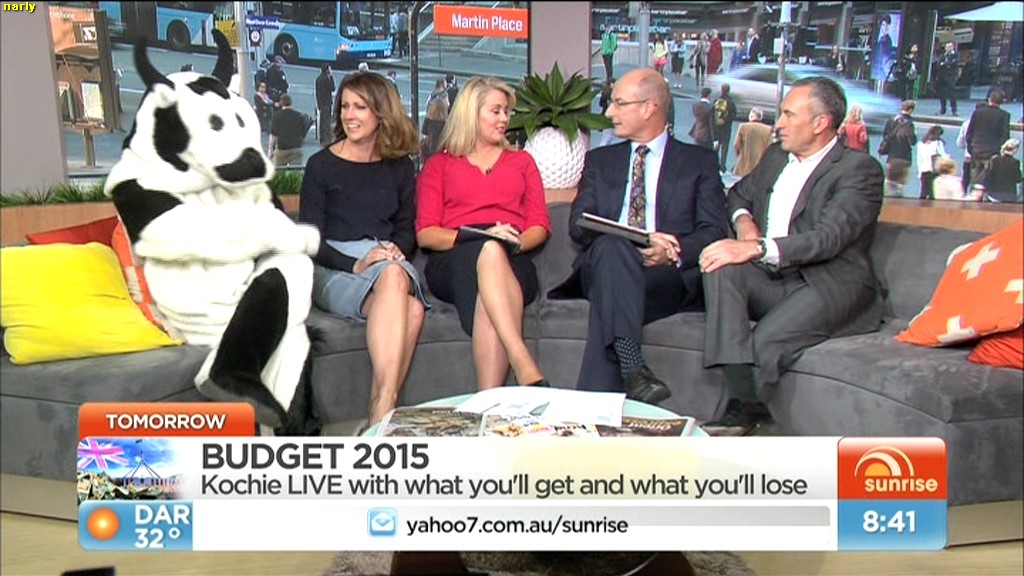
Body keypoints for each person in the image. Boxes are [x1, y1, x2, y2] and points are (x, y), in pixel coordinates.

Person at [699, 76, 884, 435]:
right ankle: (746, 407)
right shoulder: (776, 156)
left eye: (788, 114)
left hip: (827, 283)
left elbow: (829, 238)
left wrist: (757, 247)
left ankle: (735, 425)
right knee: (719, 263)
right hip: (772, 278)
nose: (778, 124)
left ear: (820, 123)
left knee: (765, 341)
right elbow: (738, 194)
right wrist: (744, 223)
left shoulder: (859, 170)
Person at [549, 67, 728, 403]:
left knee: (610, 301)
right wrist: (638, 240)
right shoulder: (600, 161)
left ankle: (593, 411)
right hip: (605, 265)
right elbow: (578, 224)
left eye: (619, 103)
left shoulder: (698, 162)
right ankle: (632, 366)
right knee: (613, 248)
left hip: (663, 278)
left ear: (649, 108)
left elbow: (715, 229)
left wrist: (672, 249)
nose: (609, 112)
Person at [299, 72, 427, 427]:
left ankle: (378, 413)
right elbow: (311, 239)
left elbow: (406, 228)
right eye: (344, 106)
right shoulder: (321, 165)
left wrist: (396, 250)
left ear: (381, 113)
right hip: (334, 265)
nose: (349, 115)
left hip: (384, 260)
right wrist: (355, 264)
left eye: (360, 107)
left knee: (407, 298)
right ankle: (385, 406)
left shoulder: (400, 167)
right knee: (409, 304)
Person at [415, 76, 551, 391]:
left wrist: (513, 243)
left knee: (490, 286)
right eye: (496, 111)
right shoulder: (439, 165)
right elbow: (427, 234)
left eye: (507, 111)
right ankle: (521, 358)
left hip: (513, 257)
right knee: (489, 250)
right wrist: (481, 236)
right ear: (471, 113)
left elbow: (539, 225)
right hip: (454, 257)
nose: (504, 119)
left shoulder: (522, 162)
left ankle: (488, 403)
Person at [966, 88, 1011, 188]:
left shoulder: (978, 112)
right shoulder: (1004, 115)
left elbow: (970, 132)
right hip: (992, 153)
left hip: (976, 150)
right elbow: (1005, 136)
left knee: (975, 181)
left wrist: (970, 149)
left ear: (990, 99)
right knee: (989, 182)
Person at [879, 100, 917, 196]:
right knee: (900, 181)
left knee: (890, 179)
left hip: (892, 153)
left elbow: (885, 135)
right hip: (904, 155)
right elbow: (912, 141)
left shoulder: (892, 119)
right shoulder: (909, 123)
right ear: (910, 110)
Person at [268, 93, 312, 167]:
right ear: (291, 103)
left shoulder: (277, 116)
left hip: (282, 149)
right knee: (295, 171)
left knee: (280, 170)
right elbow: (303, 131)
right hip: (296, 148)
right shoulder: (298, 116)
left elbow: (273, 135)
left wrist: (270, 149)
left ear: (281, 103)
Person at [732, 107, 773, 178]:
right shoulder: (768, 129)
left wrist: (740, 156)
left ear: (751, 116)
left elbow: (736, 145)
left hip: (744, 164)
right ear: (760, 117)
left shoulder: (743, 127)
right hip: (759, 165)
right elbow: (770, 147)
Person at [915, 125, 946, 200]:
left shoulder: (921, 144)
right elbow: (942, 156)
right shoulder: (938, 143)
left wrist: (919, 172)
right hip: (934, 170)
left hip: (924, 169)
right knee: (933, 194)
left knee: (923, 192)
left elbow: (919, 159)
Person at [421, 79, 449, 159]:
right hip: (440, 151)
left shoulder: (433, 93)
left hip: (429, 149)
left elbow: (424, 131)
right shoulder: (445, 122)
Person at [713, 83, 738, 171]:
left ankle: (714, 163)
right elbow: (734, 115)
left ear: (721, 90)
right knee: (724, 148)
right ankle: (723, 165)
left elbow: (712, 114)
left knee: (716, 146)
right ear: (728, 91)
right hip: (726, 128)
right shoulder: (730, 102)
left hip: (717, 128)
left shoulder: (717, 100)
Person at [933, 42, 959, 116]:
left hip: (951, 77)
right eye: (947, 47)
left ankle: (954, 110)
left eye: (950, 47)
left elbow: (953, 63)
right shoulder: (943, 56)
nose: (948, 48)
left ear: (953, 47)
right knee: (942, 94)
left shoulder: (956, 55)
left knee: (952, 94)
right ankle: (942, 109)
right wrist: (946, 64)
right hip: (942, 77)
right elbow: (938, 65)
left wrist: (945, 64)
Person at [315, 63, 336, 146]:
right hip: (327, 102)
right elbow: (333, 88)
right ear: (327, 70)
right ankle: (327, 139)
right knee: (327, 121)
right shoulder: (326, 79)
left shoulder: (318, 79)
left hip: (321, 102)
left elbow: (317, 92)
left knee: (322, 121)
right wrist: (331, 77)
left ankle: (322, 138)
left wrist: (318, 103)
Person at [871, 14, 894, 82]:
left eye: (885, 25)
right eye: (883, 25)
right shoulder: (881, 39)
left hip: (880, 72)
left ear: (889, 26)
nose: (884, 27)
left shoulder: (886, 41)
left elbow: (885, 59)